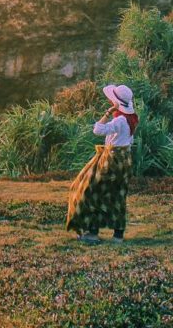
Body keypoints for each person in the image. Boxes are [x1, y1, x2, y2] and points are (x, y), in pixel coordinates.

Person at [65, 83, 138, 245]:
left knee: (90, 191)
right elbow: (129, 139)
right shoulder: (132, 118)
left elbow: (97, 130)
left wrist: (108, 112)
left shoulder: (119, 120)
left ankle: (92, 232)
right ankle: (118, 235)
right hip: (124, 158)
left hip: (111, 159)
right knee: (117, 195)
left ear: (117, 103)